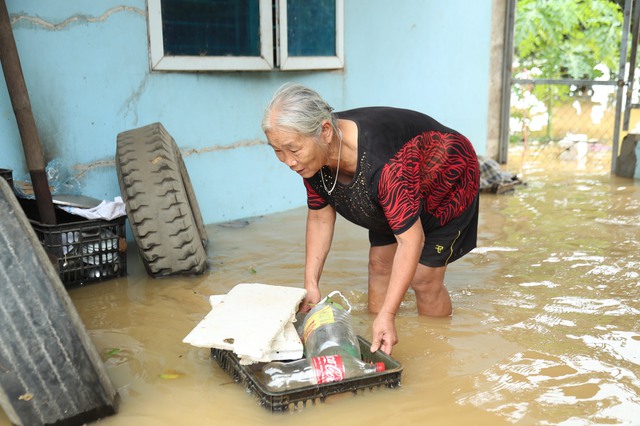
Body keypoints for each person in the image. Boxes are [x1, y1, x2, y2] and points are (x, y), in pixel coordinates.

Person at [262, 83, 480, 355]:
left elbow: (410, 241)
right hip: (397, 185)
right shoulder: (314, 154)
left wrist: (388, 315)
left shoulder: (384, 163)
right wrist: (311, 284)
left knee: (424, 280)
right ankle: (374, 341)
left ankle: (435, 348)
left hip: (447, 179)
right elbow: (319, 218)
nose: (288, 161)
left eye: (293, 150)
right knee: (379, 264)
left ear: (325, 132)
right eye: (277, 151)